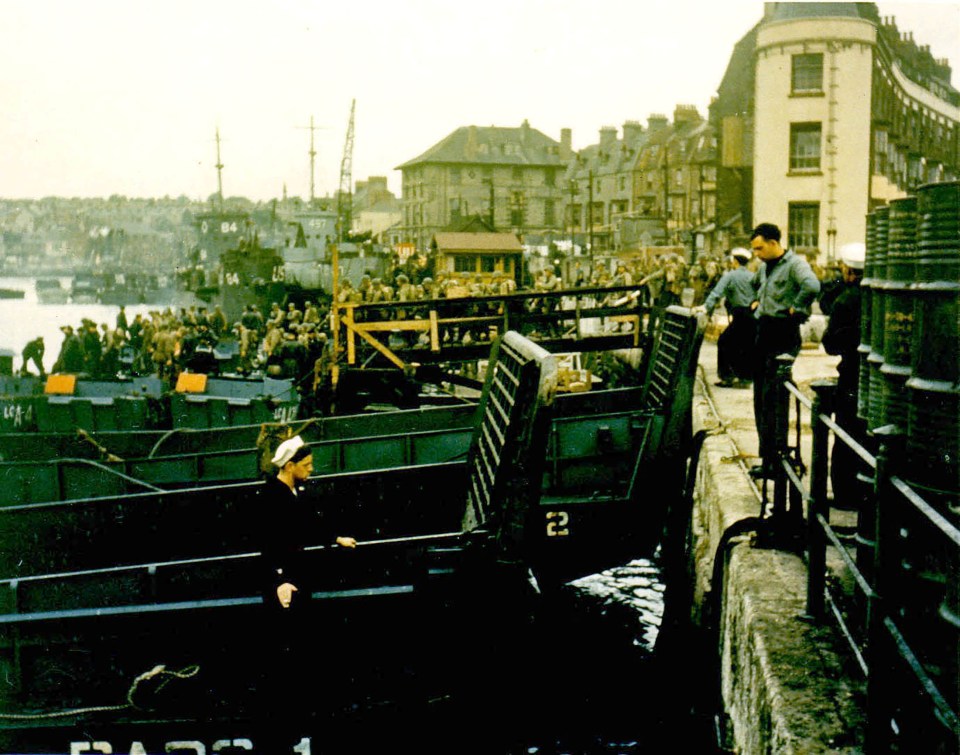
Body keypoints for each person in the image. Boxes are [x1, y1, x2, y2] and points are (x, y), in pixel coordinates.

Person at [258, 436, 356, 737]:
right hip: (284, 581)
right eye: (307, 465)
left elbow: (308, 523)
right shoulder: (273, 497)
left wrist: (335, 538)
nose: (312, 470)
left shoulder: (292, 490)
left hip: (295, 573)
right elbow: (268, 543)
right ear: (290, 466)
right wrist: (280, 580)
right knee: (288, 648)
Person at [747, 222, 821, 479]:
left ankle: (777, 460)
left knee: (775, 398)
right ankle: (767, 458)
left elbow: (812, 286)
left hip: (782, 333)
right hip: (764, 332)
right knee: (761, 398)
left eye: (759, 248)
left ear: (774, 243)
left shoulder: (795, 264)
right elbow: (755, 283)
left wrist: (797, 307)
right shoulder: (766, 267)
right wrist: (756, 301)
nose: (756, 254)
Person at [821, 242, 871, 509]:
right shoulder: (878, 293)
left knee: (846, 435)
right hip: (876, 380)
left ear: (849, 271)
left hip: (851, 375)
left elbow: (830, 344)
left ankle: (845, 495)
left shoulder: (845, 300)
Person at [703, 248, 756, 388]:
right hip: (753, 315)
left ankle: (727, 377)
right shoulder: (753, 276)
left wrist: (706, 308)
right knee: (747, 345)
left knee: (724, 342)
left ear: (736, 261)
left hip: (739, 315)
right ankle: (746, 379)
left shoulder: (730, 275)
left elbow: (716, 293)